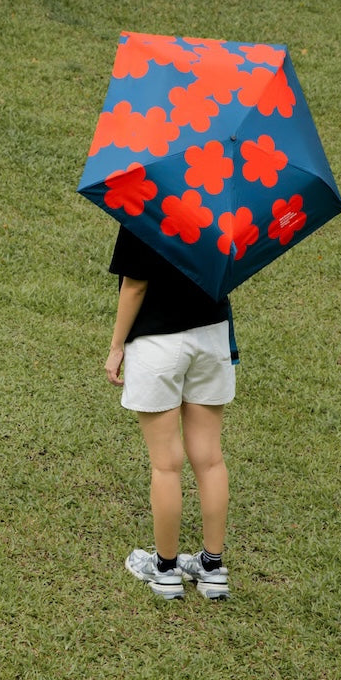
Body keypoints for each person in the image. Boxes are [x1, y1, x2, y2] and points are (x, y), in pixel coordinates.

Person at [106, 224, 234, 601]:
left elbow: (136, 285)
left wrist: (116, 347)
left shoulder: (143, 207)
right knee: (210, 460)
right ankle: (212, 570)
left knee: (166, 465)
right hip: (211, 338)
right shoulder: (223, 212)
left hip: (156, 342)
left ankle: (164, 570)